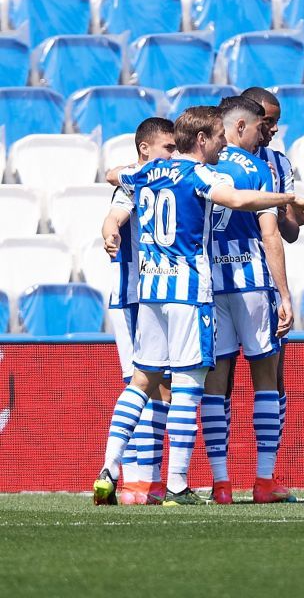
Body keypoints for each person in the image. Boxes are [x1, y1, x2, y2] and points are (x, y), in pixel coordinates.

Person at [92, 106, 304, 506]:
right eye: (218, 138)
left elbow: (113, 174)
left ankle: (108, 467)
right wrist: (286, 197)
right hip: (189, 293)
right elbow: (239, 199)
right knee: (189, 386)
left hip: (150, 293)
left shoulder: (147, 171)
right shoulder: (199, 174)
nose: (223, 145)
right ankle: (177, 484)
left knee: (141, 382)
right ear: (201, 140)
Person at [200, 96, 293, 504]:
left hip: (210, 284)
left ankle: (221, 483)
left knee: (216, 382)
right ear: (240, 127)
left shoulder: (200, 165)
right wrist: (285, 294)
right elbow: (271, 235)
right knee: (265, 379)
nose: (262, 136)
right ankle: (263, 480)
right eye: (258, 128)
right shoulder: (257, 168)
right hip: (252, 283)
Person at [97, 117, 176, 505]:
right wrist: (110, 232)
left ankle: (147, 480)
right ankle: (134, 481)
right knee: (141, 384)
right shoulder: (134, 182)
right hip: (133, 296)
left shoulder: (166, 182)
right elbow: (115, 215)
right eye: (168, 147)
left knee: (161, 388)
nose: (173, 154)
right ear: (145, 149)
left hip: (159, 295)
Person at [241, 86, 299, 477]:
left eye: (277, 122)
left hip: (265, 279)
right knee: (220, 379)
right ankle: (218, 478)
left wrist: (283, 206)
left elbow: (290, 231)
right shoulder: (216, 158)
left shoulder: (279, 163)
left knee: (273, 377)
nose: (274, 129)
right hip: (226, 279)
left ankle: (268, 474)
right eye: (269, 121)